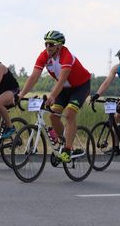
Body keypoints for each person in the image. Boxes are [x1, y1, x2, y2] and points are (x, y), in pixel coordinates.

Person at [17, 30, 91, 163]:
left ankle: (68, 150)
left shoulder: (66, 56)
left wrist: (52, 96)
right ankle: (64, 142)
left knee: (70, 113)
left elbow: (62, 80)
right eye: (46, 44)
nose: (47, 47)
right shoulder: (44, 55)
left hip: (80, 87)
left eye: (50, 44)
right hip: (64, 88)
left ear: (59, 45)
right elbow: (34, 76)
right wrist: (21, 94)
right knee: (53, 115)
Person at [91, 47, 120, 146]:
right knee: (116, 118)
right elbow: (107, 82)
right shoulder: (117, 68)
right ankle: (116, 147)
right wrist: (97, 94)